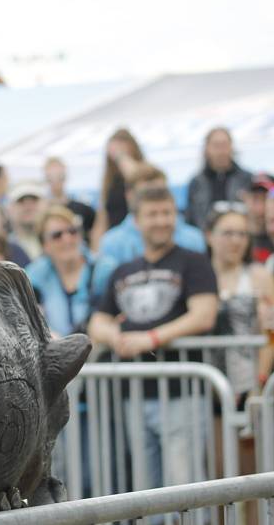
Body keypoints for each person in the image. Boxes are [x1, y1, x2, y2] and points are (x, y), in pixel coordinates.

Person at [88, 186, 218, 490]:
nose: (161, 221)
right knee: (146, 492)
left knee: (183, 490)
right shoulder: (123, 270)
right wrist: (118, 336)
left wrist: (152, 338)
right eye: (153, 214)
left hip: (182, 391)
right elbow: (98, 322)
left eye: (167, 213)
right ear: (136, 221)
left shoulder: (194, 261)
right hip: (135, 394)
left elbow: (204, 314)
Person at [205, 201, 274, 405]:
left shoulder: (261, 277)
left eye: (242, 234)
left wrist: (261, 379)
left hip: (251, 384)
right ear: (209, 235)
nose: (236, 241)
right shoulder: (197, 279)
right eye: (228, 233)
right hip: (207, 384)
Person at [26, 205, 116, 337]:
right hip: (54, 351)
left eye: (72, 231)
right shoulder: (33, 276)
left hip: (98, 351)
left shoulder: (105, 269)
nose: (67, 239)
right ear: (44, 245)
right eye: (57, 235)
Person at [98, 164, 206, 264]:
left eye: (161, 192)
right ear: (129, 195)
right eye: (145, 194)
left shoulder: (192, 239)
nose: (155, 198)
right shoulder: (112, 243)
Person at [185, 127, 253, 228]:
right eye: (216, 146)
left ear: (231, 147)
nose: (221, 151)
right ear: (207, 149)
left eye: (225, 145)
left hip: (240, 237)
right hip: (205, 239)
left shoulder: (247, 179)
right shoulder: (196, 183)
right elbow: (191, 219)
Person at [90, 128, 145, 248]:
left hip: (139, 239)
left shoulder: (143, 172)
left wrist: (120, 155)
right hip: (115, 242)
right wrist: (96, 249)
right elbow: (102, 219)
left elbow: (137, 177)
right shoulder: (110, 182)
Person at [43, 156, 95, 239]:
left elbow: (95, 233)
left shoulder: (83, 209)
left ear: (65, 177)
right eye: (51, 178)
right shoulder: (42, 212)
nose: (56, 182)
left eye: (60, 176)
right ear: (46, 179)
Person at [244, 173, 274, 263]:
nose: (260, 208)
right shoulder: (235, 234)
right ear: (245, 199)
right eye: (255, 199)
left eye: (266, 199)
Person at [6, 181, 46, 261]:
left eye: (34, 200)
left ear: (46, 205)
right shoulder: (3, 248)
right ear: (9, 209)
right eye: (21, 201)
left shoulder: (62, 241)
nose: (28, 206)